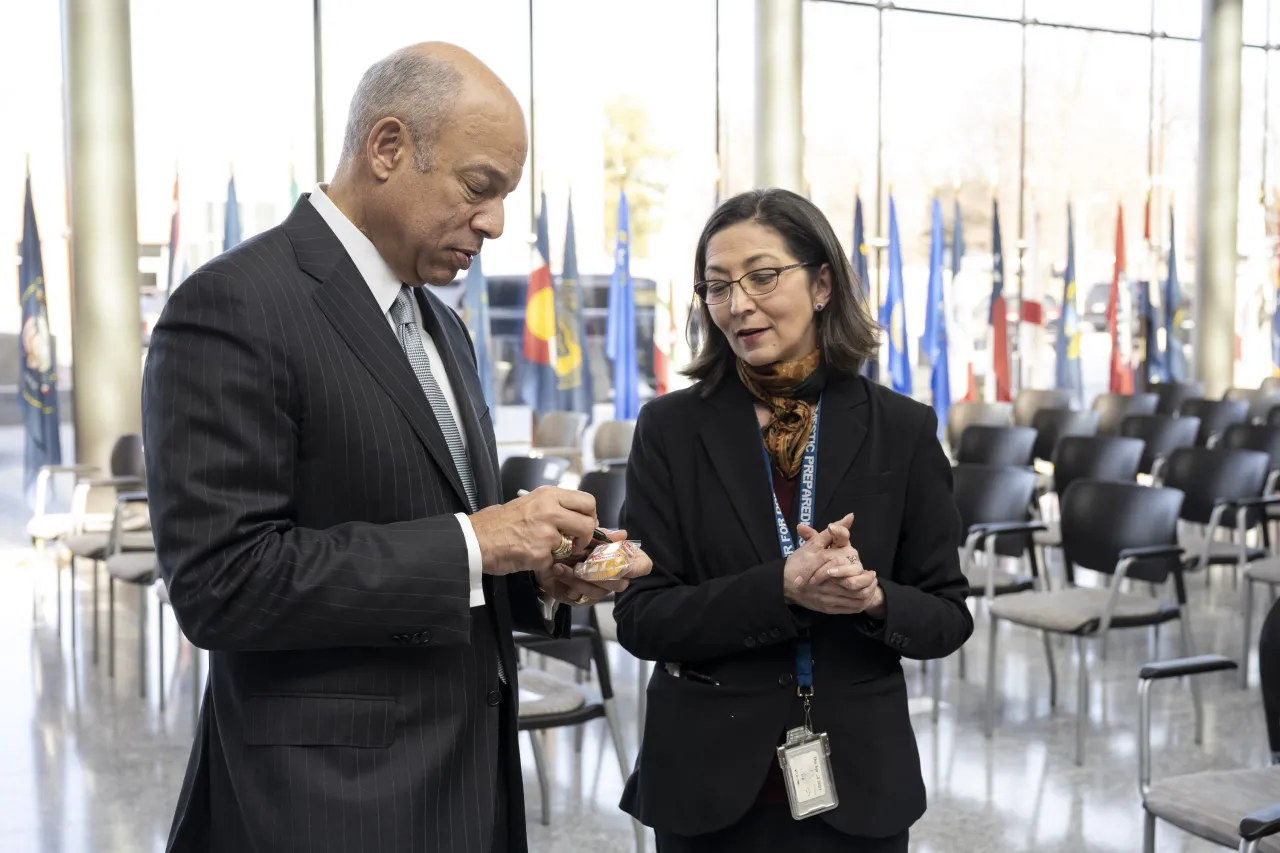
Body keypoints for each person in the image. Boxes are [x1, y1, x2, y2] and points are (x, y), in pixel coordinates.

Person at [142, 42, 649, 853]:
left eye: (507, 196)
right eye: (480, 187)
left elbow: (445, 551)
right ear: (386, 149)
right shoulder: (233, 306)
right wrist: (477, 540)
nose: (496, 222)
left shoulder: (443, 328)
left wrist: (539, 577)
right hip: (326, 808)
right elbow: (219, 583)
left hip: (467, 787)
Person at [612, 188, 973, 852]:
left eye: (763, 275)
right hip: (706, 780)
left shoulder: (902, 429)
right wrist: (780, 586)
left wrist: (873, 598)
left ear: (823, 283)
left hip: (859, 780)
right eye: (717, 286)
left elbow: (948, 616)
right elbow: (640, 618)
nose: (738, 303)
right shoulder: (669, 428)